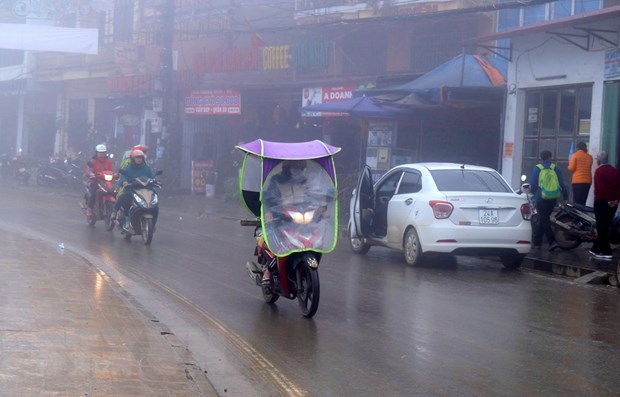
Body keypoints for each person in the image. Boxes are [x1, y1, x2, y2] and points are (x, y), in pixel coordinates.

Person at [530, 150, 568, 251]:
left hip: (541, 198)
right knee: (544, 218)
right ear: (550, 157)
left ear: (541, 158)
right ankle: (537, 243)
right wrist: (565, 197)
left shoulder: (537, 168)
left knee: (544, 219)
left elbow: (533, 185)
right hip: (553, 198)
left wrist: (533, 194)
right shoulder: (555, 168)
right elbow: (562, 184)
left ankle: (552, 241)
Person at [588, 151, 620, 260]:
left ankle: (606, 251)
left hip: (602, 202)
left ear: (599, 160)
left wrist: (608, 200)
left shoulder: (599, 171)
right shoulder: (615, 171)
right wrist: (615, 200)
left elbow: (600, 189)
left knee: (602, 227)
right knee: (605, 225)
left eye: (596, 158)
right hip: (614, 203)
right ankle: (595, 248)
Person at [113, 149, 154, 230]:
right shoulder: (129, 168)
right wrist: (124, 181)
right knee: (125, 199)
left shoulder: (147, 169)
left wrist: (155, 181)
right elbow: (123, 176)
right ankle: (126, 219)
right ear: (133, 159)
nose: (139, 159)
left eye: (140, 158)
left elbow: (152, 177)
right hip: (131, 190)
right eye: (137, 158)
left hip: (145, 191)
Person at [84, 144, 114, 218]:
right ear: (96, 153)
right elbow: (88, 170)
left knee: (114, 192)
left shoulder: (109, 162)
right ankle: (89, 209)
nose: (101, 154)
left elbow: (112, 171)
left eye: (103, 152)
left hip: (106, 182)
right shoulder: (92, 162)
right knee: (93, 194)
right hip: (95, 182)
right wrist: (91, 174)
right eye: (100, 152)